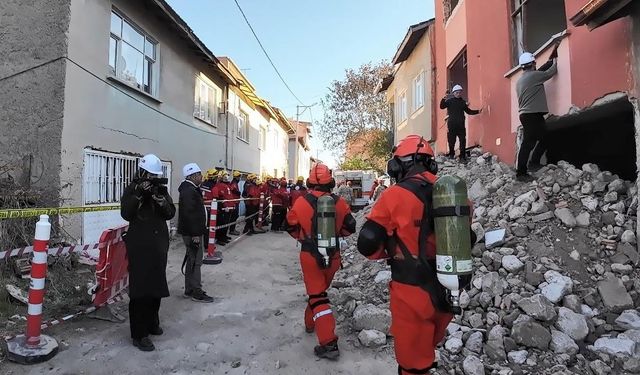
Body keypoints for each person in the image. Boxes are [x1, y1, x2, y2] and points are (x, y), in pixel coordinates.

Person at [357, 135, 474, 374]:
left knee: (412, 364)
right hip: (448, 287)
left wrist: (391, 248)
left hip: (410, 292)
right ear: (431, 164)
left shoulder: (393, 196)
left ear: (398, 166)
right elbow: (467, 238)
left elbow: (367, 243)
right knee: (426, 349)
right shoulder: (456, 196)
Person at [286, 163, 356, 360]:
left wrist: (303, 237)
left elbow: (289, 225)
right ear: (331, 182)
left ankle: (328, 342)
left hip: (310, 256)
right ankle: (310, 323)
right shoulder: (340, 203)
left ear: (309, 182)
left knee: (318, 297)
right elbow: (350, 227)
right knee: (318, 294)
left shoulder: (301, 203)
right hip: (333, 256)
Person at [120, 154, 175, 352]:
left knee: (156, 286)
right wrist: (139, 195)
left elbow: (170, 213)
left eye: (155, 175)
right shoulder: (132, 189)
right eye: (150, 175)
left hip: (158, 244)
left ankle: (152, 323)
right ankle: (139, 334)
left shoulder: (161, 189)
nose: (152, 179)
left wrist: (162, 202)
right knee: (141, 289)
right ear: (142, 172)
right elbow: (126, 213)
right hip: (140, 245)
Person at [515, 43, 560, 182]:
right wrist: (554, 61)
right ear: (533, 63)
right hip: (532, 114)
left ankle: (533, 163)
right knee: (530, 142)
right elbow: (550, 72)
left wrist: (547, 63)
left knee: (541, 138)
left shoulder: (523, 79)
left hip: (529, 115)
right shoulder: (534, 76)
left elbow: (539, 72)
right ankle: (522, 172)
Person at [178, 163, 215, 303]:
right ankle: (196, 291)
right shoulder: (189, 191)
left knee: (191, 260)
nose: (201, 177)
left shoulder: (191, 189)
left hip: (193, 231)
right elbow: (189, 214)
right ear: (192, 176)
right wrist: (195, 234)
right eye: (199, 174)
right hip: (192, 232)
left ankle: (189, 289)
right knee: (196, 262)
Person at [439, 85, 482, 161]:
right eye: (456, 92)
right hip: (452, 125)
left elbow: (469, 111)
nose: (458, 94)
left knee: (462, 141)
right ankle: (451, 155)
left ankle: (462, 156)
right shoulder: (449, 101)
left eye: (459, 92)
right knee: (451, 141)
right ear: (453, 93)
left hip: (461, 126)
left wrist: (478, 111)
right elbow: (442, 106)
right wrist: (444, 97)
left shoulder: (462, 103)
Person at [228, 171, 242, 235]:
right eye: (239, 176)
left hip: (236, 202)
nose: (240, 178)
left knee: (235, 216)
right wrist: (238, 192)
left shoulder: (235, 182)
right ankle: (232, 230)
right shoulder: (234, 183)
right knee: (234, 216)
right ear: (236, 177)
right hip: (234, 202)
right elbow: (232, 189)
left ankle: (232, 229)